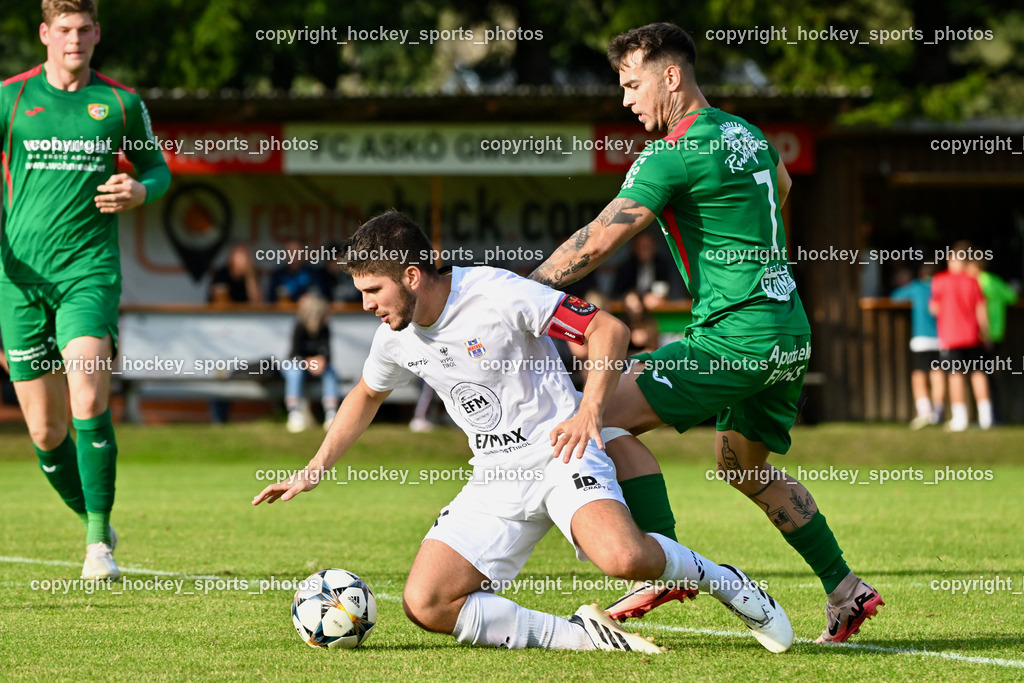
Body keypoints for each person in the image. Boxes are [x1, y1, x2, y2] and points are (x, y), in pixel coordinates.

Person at [254, 211, 793, 654]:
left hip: (561, 455)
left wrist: (590, 410)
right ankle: (584, 637)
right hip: (494, 478)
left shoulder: (495, 293)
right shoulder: (394, 335)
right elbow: (366, 394)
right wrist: (314, 469)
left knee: (625, 561)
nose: (366, 304)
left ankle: (722, 578)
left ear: (412, 276)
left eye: (373, 290)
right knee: (427, 603)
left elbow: (607, 329)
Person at [529, 22, 881, 643]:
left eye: (632, 84)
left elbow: (602, 236)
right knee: (742, 468)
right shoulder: (747, 134)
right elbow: (784, 186)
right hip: (786, 331)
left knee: (597, 417)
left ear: (670, 76)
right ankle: (845, 587)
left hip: (733, 336)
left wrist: (523, 297)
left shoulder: (671, 152)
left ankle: (662, 565)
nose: (626, 100)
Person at [0, 0, 171, 580]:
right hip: (19, 280)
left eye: (83, 29)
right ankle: (90, 515)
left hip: (88, 273)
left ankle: (99, 545)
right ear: (45, 34)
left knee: (89, 397)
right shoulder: (11, 98)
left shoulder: (120, 103)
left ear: (97, 33)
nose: (74, 38)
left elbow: (157, 169)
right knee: (46, 433)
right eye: (64, 29)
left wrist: (140, 191)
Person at [930, 242, 992, 431]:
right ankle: (986, 417)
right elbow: (981, 309)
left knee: (955, 375)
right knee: (978, 374)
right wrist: (986, 334)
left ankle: (960, 418)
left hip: (951, 337)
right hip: (973, 336)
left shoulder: (940, 280)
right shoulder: (973, 281)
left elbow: (934, 308)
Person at [891, 264, 946, 429]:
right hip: (942, 338)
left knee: (919, 375)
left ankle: (924, 412)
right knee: (937, 373)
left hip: (922, 338)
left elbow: (895, 297)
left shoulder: (917, 287)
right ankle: (938, 412)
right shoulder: (943, 287)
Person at [966, 255, 1017, 424]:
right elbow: (1012, 297)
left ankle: (988, 416)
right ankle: (997, 414)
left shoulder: (977, 282)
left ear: (975, 267)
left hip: (982, 334)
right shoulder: (995, 281)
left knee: (981, 374)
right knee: (993, 374)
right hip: (997, 333)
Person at [284, 293, 340, 433]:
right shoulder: (300, 327)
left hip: (317, 368)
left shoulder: (325, 328)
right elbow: (294, 354)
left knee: (331, 372)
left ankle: (331, 413)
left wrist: (322, 361)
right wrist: (308, 362)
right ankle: (294, 414)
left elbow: (327, 353)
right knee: (295, 372)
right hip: (298, 365)